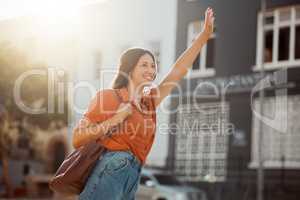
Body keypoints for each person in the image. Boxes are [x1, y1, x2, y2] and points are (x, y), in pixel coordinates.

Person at [72, 7, 215, 200]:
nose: (151, 70)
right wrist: (116, 118)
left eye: (153, 65)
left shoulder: (149, 102)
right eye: (144, 64)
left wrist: (203, 37)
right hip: (112, 168)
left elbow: (177, 72)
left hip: (134, 174)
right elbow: (77, 139)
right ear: (129, 68)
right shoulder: (108, 97)